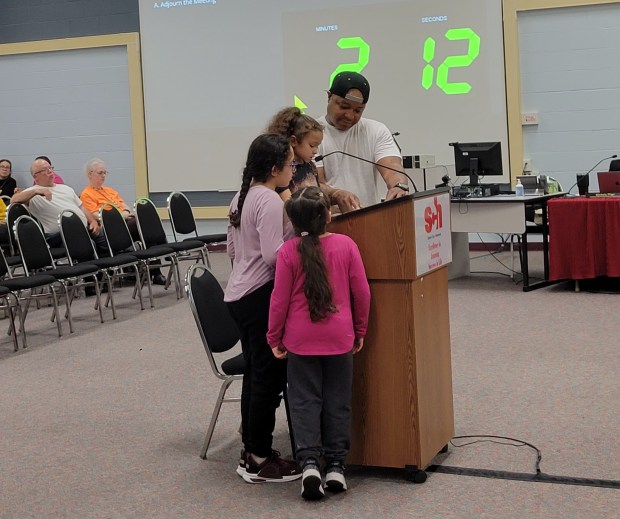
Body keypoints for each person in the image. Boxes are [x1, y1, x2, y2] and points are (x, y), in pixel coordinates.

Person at [267, 186, 370, 500]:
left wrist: (273, 336)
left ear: (294, 222)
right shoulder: (346, 245)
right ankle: (336, 465)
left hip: (300, 341)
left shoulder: (287, 252)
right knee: (338, 400)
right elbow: (361, 293)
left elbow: (279, 301)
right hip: (340, 338)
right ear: (328, 215)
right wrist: (360, 329)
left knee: (304, 402)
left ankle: (310, 462)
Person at [224, 133, 301, 484]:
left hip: (239, 293)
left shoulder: (240, 197)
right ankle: (258, 457)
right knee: (268, 378)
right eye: (290, 165)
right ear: (274, 168)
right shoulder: (269, 200)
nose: (294, 170)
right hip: (258, 295)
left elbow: (231, 250)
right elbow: (273, 255)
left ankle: (252, 450)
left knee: (256, 374)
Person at [316, 71, 410, 213]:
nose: (349, 115)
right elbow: (315, 185)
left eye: (358, 110)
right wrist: (336, 194)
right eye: (344, 106)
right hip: (327, 223)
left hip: (368, 219)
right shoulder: (311, 135)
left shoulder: (376, 130)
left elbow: (392, 166)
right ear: (329, 96)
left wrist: (399, 185)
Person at [79, 158, 166, 285]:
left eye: (105, 172)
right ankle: (163, 246)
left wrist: (120, 215)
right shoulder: (86, 194)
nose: (103, 176)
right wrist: (122, 215)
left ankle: (156, 272)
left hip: (126, 225)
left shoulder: (110, 191)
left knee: (146, 233)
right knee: (141, 224)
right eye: (100, 173)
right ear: (89, 174)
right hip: (110, 231)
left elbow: (127, 209)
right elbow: (98, 216)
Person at [11, 158, 107, 253]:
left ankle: (109, 267)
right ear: (35, 176)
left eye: (50, 168)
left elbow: (81, 207)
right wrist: (36, 191)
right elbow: (14, 200)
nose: (50, 171)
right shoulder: (33, 192)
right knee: (88, 245)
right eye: (45, 170)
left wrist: (93, 221)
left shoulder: (66, 188)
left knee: (109, 238)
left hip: (84, 229)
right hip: (60, 235)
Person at [265, 107, 323, 199]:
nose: (315, 151)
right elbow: (289, 205)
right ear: (293, 141)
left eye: (317, 146)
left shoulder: (311, 166)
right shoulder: (284, 171)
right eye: (312, 146)